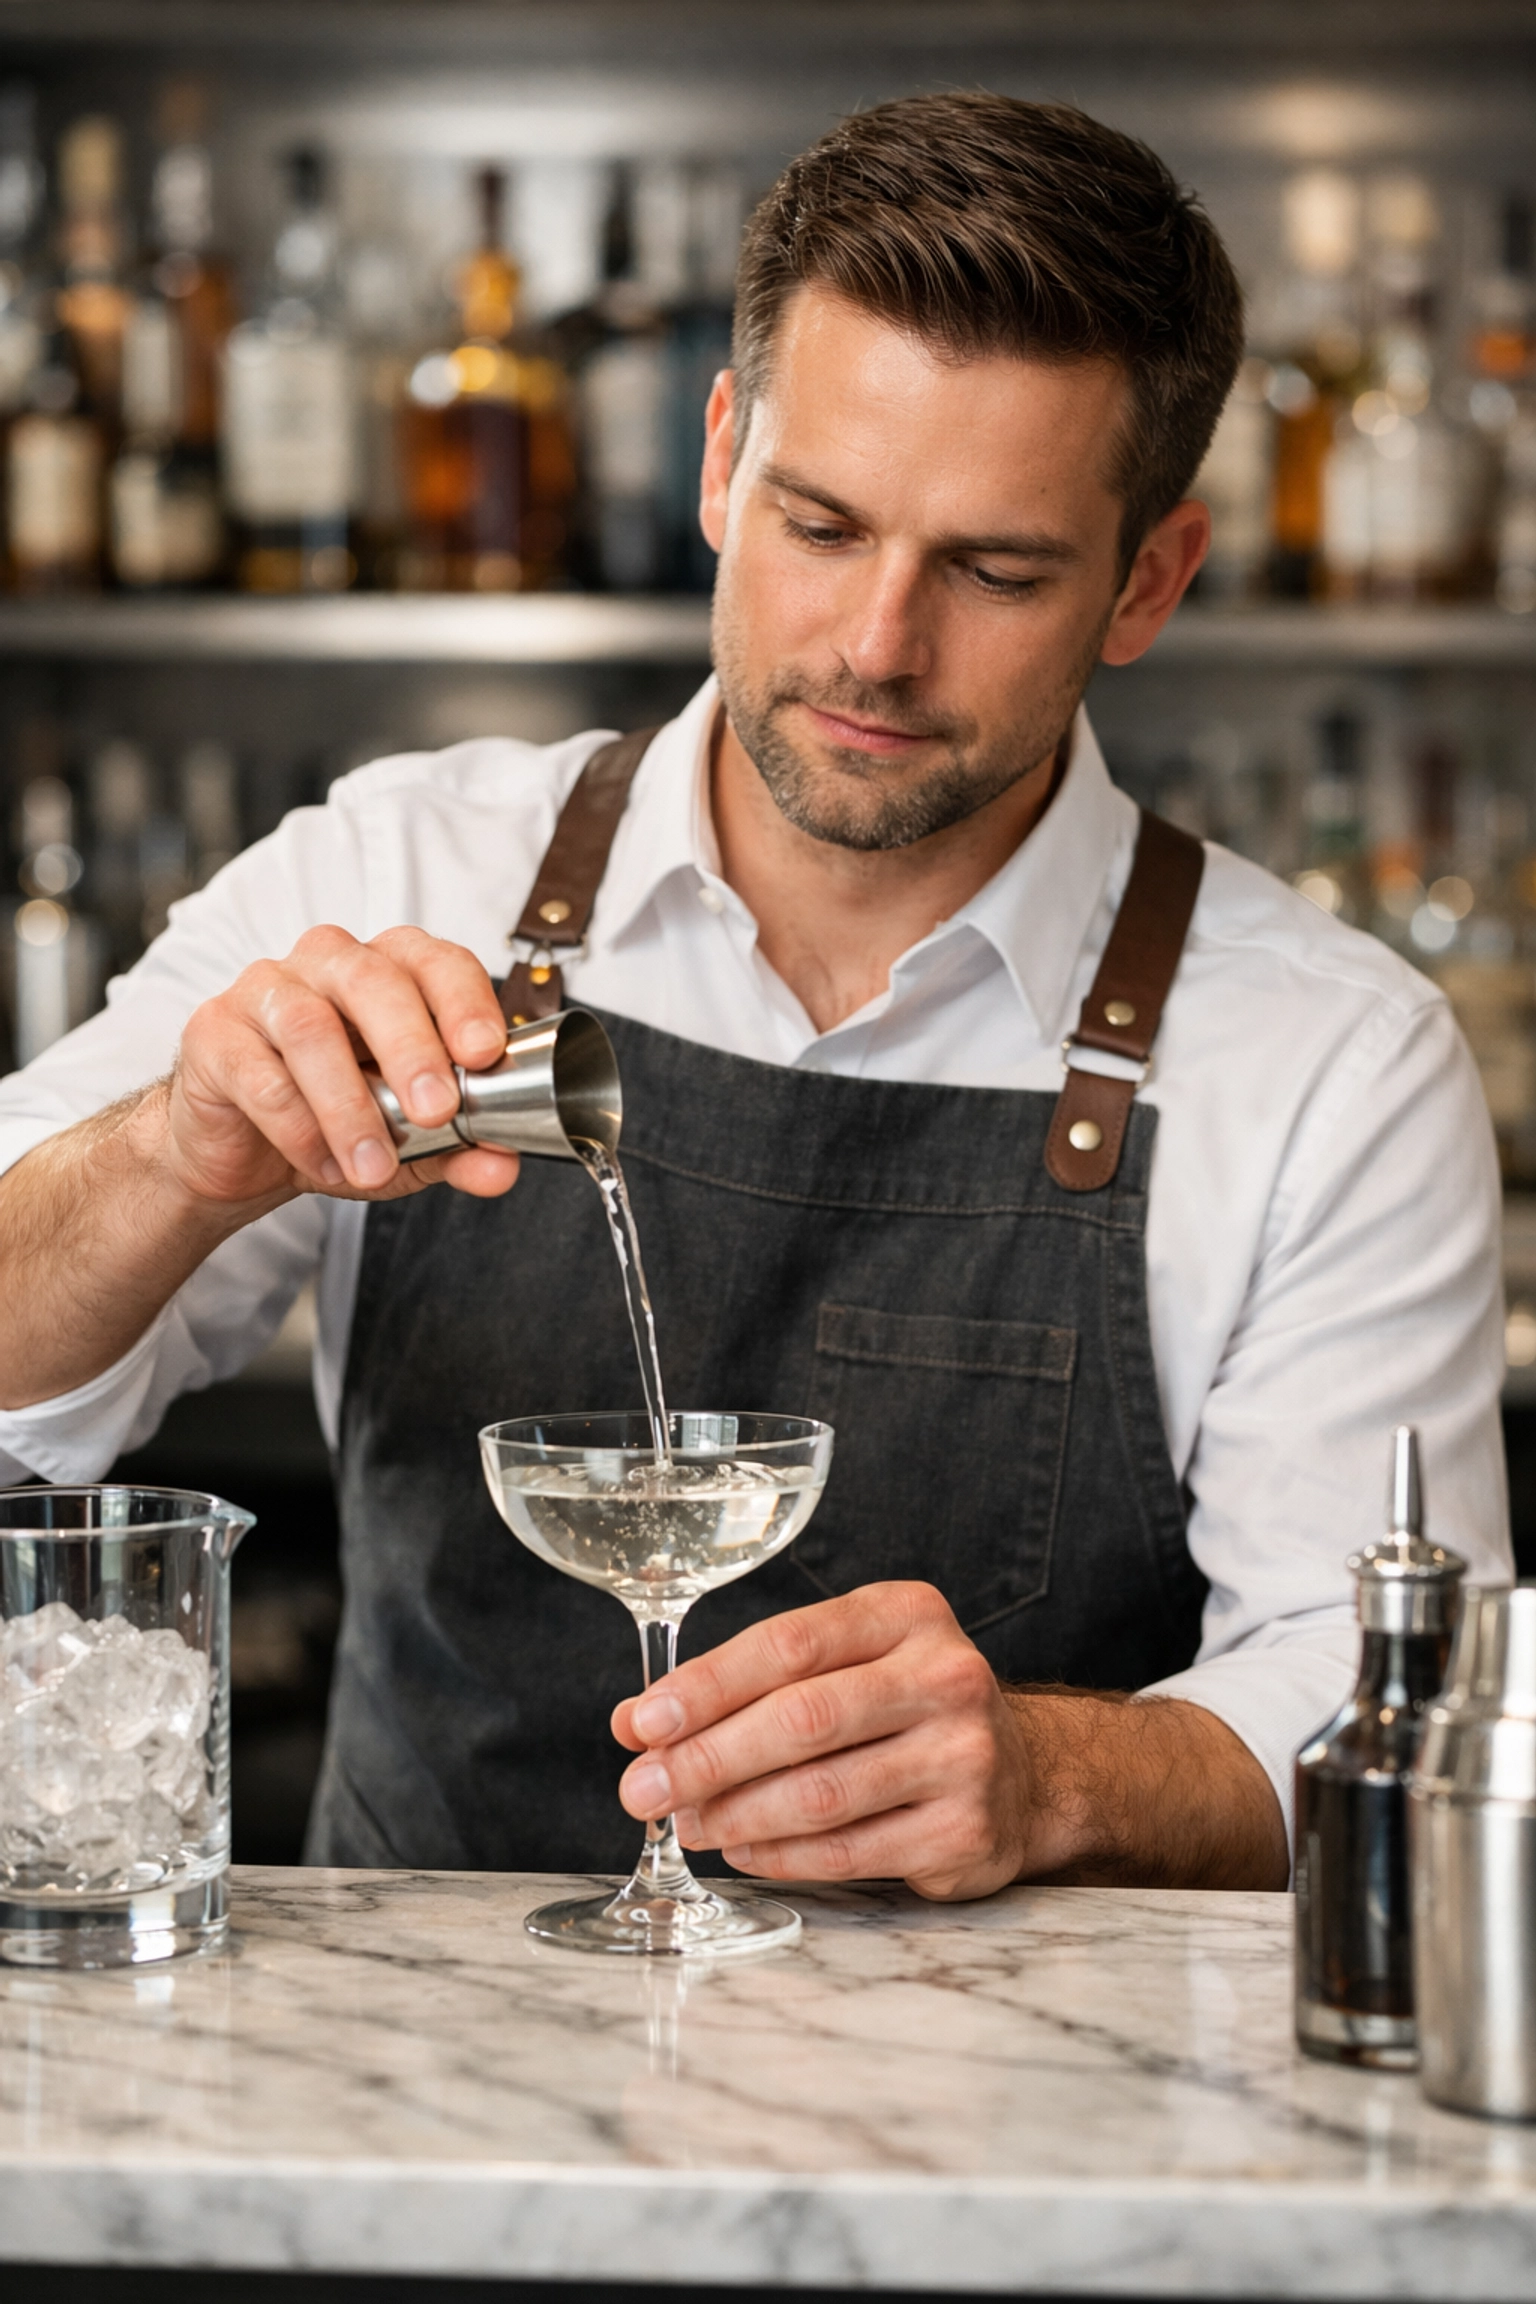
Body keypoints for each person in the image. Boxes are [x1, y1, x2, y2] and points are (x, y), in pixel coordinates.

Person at [0, 96, 1510, 1898]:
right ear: (721, 460)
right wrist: (180, 1149)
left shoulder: (1331, 1057)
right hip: (420, 2071)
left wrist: (1056, 1774)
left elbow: (1382, 1706)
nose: (878, 642)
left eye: (997, 569)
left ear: (1148, 583)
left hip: (1013, 2113)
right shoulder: (398, 871)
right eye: (818, 522)